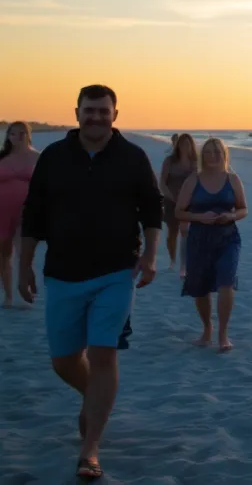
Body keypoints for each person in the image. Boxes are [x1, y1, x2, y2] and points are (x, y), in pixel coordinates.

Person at [18, 85, 161, 481]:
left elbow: (152, 209)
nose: (96, 117)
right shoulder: (54, 156)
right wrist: (24, 266)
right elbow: (34, 213)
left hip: (116, 272)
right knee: (64, 360)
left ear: (115, 115)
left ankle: (90, 448)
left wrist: (150, 256)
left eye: (103, 111)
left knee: (102, 353)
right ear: (77, 112)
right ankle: (94, 397)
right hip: (62, 272)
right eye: (89, 110)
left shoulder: (132, 157)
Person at [176, 138, 247, 351]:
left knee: (227, 282)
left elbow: (243, 209)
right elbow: (179, 211)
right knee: (200, 288)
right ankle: (207, 328)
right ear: (202, 156)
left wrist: (230, 216)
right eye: (208, 152)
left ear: (224, 155)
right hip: (199, 238)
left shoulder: (232, 179)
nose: (213, 155)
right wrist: (199, 217)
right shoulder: (193, 180)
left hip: (228, 238)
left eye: (217, 151)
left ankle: (223, 334)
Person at [1, 121, 39, 308]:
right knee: (4, 255)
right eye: (13, 133)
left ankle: (25, 293)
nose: (18, 136)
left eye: (22, 133)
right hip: (2, 211)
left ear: (28, 135)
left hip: (26, 210)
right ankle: (8, 296)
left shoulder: (38, 157)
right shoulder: (2, 157)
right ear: (8, 136)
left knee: (23, 254)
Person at [159, 133, 197, 276]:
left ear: (192, 145)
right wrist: (171, 197)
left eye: (188, 143)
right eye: (182, 143)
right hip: (171, 201)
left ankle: (184, 265)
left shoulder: (195, 162)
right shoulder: (169, 161)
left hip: (190, 203)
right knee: (172, 233)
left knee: (186, 233)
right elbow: (162, 182)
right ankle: (172, 260)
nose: (185, 146)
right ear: (178, 145)